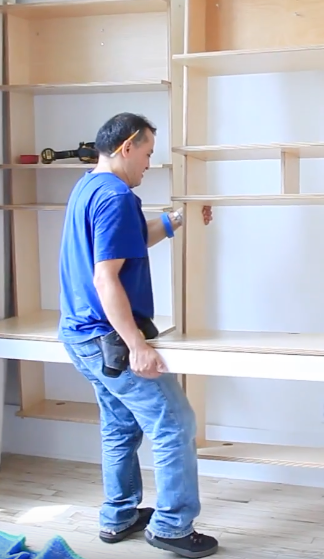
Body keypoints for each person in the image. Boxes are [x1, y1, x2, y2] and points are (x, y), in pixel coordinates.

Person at [58, 112, 218, 558]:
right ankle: (171, 526)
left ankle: (119, 515)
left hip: (80, 336)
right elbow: (106, 278)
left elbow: (123, 242)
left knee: (120, 425)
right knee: (175, 422)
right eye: (147, 153)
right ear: (127, 146)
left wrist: (176, 220)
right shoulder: (116, 197)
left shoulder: (89, 187)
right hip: (107, 338)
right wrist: (137, 345)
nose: (150, 163)